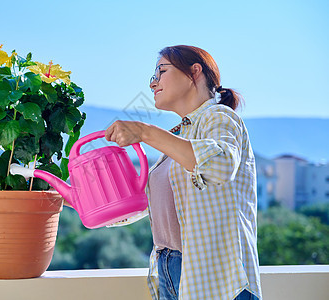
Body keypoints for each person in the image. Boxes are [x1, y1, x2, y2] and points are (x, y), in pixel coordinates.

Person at [105, 45, 262, 300]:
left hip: (217, 279)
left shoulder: (219, 117)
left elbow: (220, 165)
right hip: (172, 272)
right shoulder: (180, 136)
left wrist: (145, 132)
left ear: (194, 72)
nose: (153, 83)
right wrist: (64, 196)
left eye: (160, 71)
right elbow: (142, 205)